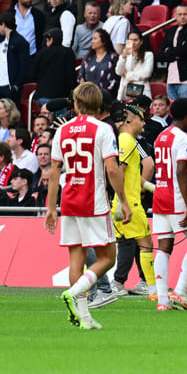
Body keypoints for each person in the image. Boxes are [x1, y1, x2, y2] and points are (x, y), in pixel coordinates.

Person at [45, 82, 127, 330]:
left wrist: (51, 207)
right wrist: (123, 200)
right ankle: (74, 294)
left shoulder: (63, 130)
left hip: (69, 198)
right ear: (99, 104)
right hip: (94, 200)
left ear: (77, 103)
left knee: (76, 258)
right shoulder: (103, 129)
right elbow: (112, 168)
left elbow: (54, 171)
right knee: (108, 258)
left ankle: (84, 317)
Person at [105, 104, 157, 302]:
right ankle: (152, 289)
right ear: (129, 120)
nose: (143, 123)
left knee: (119, 246)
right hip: (130, 203)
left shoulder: (128, 140)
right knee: (146, 244)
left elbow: (135, 175)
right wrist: (123, 202)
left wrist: (154, 189)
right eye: (140, 119)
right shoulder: (126, 140)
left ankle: (112, 285)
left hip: (124, 201)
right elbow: (120, 171)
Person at [148, 98, 187, 311]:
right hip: (176, 197)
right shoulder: (184, 138)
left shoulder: (161, 136)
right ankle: (180, 290)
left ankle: (162, 301)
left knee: (164, 247)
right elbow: (181, 171)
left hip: (160, 195)